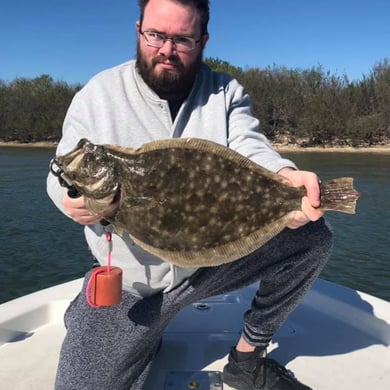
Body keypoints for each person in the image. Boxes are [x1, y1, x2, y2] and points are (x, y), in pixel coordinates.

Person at [47, 0, 333, 389]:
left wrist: (284, 177)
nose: (166, 49)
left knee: (313, 237)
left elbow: (250, 146)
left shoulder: (224, 91)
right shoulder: (97, 94)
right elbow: (62, 167)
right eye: (155, 35)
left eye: (181, 39)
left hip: (207, 267)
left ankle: (246, 359)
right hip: (133, 287)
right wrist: (70, 200)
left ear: (202, 40)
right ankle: (104, 321)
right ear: (138, 30)